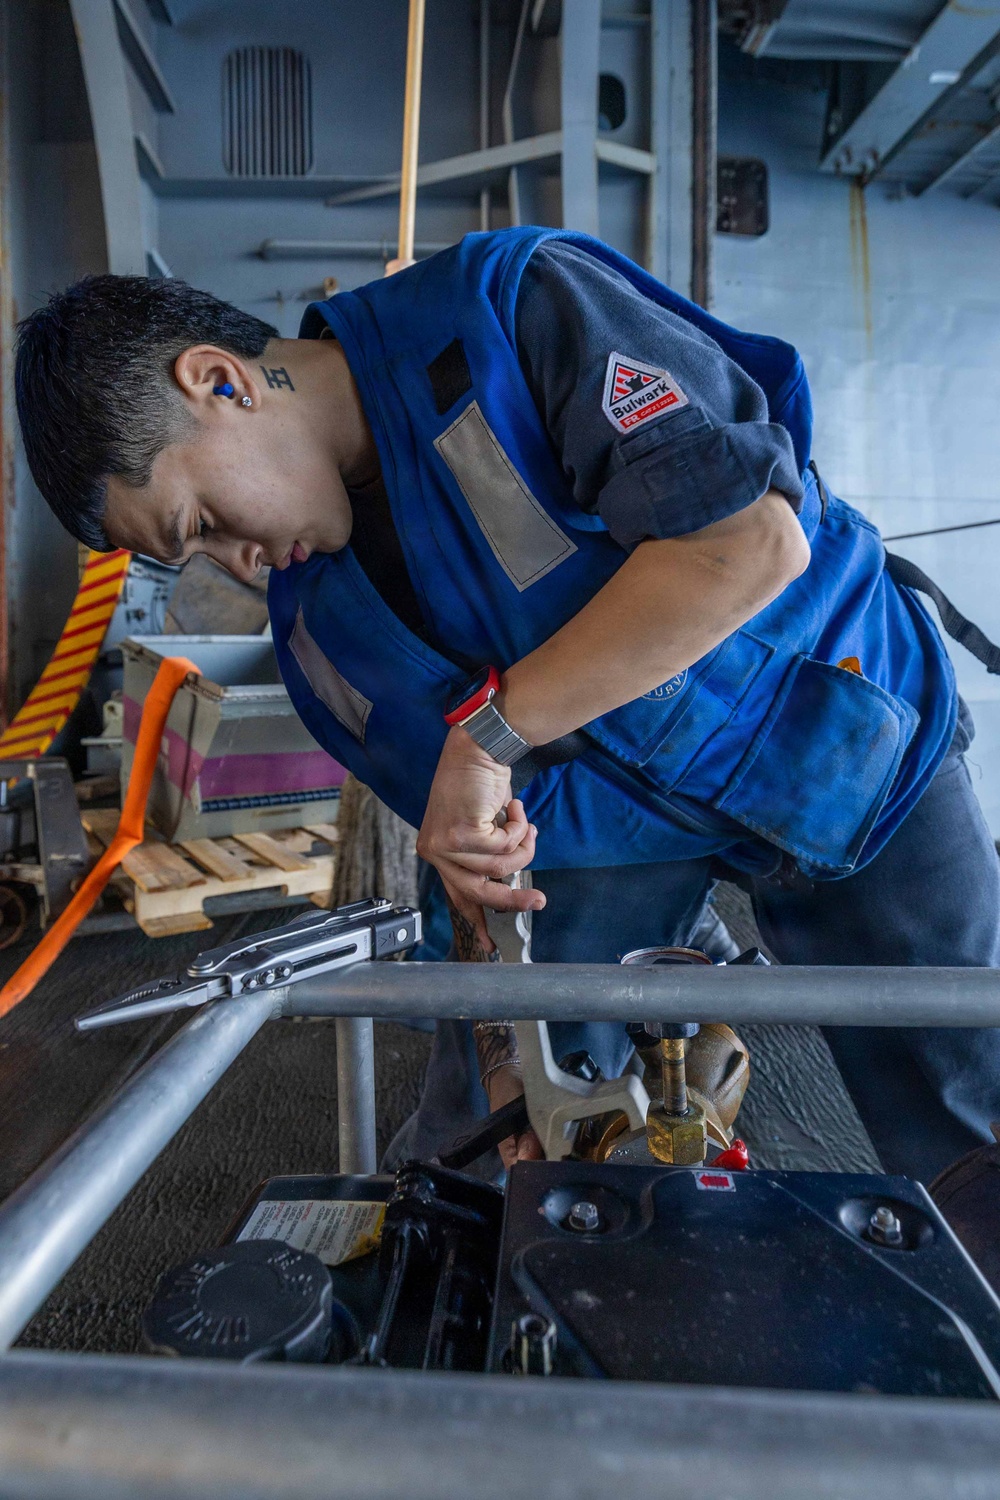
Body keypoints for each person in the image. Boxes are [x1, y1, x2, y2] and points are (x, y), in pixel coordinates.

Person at [15, 228, 1000, 1182]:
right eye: (195, 554)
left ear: (219, 381)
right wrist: (503, 1054)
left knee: (968, 1117)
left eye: (202, 521)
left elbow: (743, 547)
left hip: (852, 738)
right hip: (610, 842)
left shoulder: (514, 311)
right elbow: (472, 858)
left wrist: (488, 735)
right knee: (486, 1148)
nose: (238, 563)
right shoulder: (323, 634)